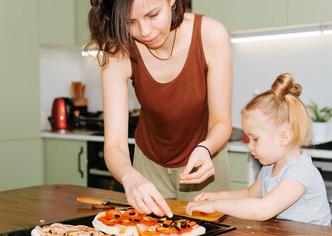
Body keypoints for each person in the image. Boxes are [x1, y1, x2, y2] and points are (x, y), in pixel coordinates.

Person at [85, 0, 232, 218]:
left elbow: (221, 122)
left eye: (153, 15)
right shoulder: (119, 51)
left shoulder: (211, 35)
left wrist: (206, 148)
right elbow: (114, 144)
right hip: (148, 165)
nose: (144, 32)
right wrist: (129, 177)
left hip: (204, 159)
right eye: (129, 21)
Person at [186, 73, 332, 226]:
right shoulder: (270, 167)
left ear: (284, 137)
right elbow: (249, 194)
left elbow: (264, 209)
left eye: (255, 138)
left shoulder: (301, 171)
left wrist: (215, 206)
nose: (250, 145)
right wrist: (217, 197)